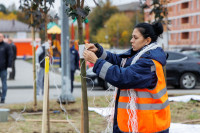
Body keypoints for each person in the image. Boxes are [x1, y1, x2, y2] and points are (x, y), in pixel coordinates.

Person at [83, 22, 171, 133]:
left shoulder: (149, 63)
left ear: (147, 41)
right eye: (131, 37)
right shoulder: (138, 55)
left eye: (135, 37)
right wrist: (99, 52)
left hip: (148, 127)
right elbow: (118, 60)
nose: (131, 40)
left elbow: (122, 77)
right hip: (136, 124)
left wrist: (96, 62)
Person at [0, 33, 13, 103]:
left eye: (0, 37)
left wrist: (9, 66)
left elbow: (10, 56)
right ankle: (0, 94)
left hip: (3, 68)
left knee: (4, 83)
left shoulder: (6, 46)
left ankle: (3, 98)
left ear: (3, 37)